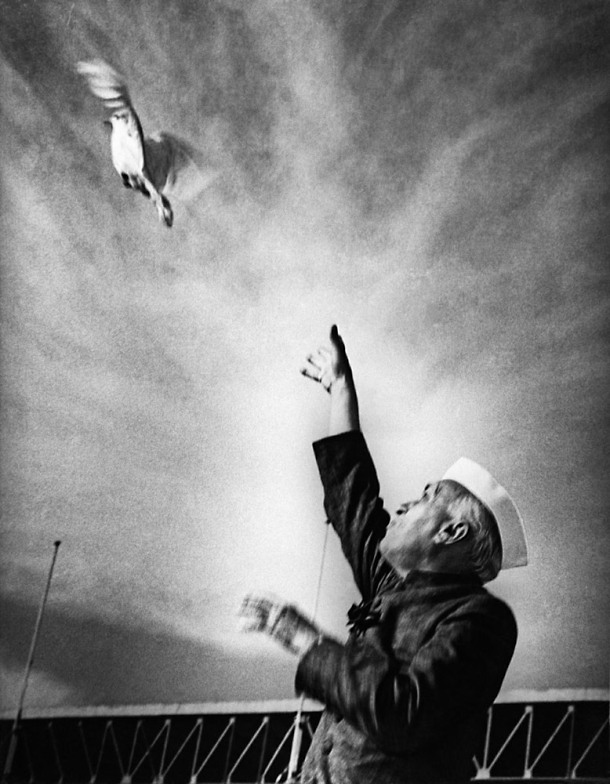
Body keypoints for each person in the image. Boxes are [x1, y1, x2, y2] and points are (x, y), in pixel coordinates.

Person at [240, 325, 528, 783]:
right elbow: (351, 498)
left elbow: (404, 715)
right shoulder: (392, 587)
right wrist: (339, 390)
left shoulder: (482, 620)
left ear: (453, 531)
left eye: (426, 496)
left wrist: (307, 642)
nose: (404, 505)